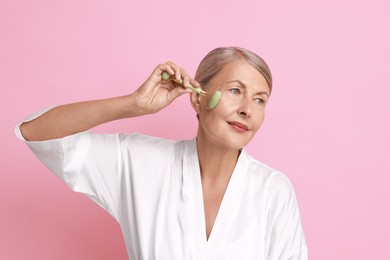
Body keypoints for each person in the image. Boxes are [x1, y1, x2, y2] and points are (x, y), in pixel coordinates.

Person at [15, 47, 308, 259]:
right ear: (196, 98)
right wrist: (133, 104)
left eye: (260, 100)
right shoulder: (140, 163)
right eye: (234, 91)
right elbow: (37, 132)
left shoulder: (273, 191)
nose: (247, 109)